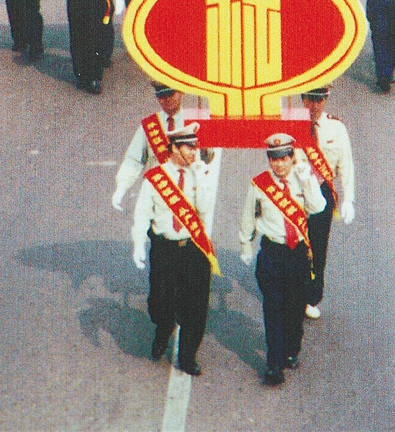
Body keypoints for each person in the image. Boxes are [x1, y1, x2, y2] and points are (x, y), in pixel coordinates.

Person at [131, 123, 218, 376]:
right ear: (174, 148)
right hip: (165, 249)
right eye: (189, 147)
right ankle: (163, 328)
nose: (194, 152)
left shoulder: (198, 174)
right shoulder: (155, 178)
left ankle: (187, 356)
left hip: (193, 248)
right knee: (160, 304)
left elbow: (205, 208)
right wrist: (138, 243)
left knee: (196, 306)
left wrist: (201, 177)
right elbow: (142, 213)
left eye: (195, 146)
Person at [239, 133, 325, 386]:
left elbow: (318, 207)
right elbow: (248, 216)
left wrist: (306, 179)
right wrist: (245, 245)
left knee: (295, 308)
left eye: (283, 158)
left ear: (292, 157)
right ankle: (274, 364)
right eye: (274, 159)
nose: (279, 164)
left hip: (297, 254)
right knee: (273, 309)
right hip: (272, 253)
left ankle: (291, 350)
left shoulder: (302, 179)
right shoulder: (259, 184)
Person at [298, 88, 354, 319]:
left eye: (320, 100)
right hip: (297, 191)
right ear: (303, 99)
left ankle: (312, 296)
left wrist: (348, 198)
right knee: (294, 244)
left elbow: (346, 165)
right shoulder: (292, 125)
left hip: (322, 191)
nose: (315, 105)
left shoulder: (336, 128)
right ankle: (293, 290)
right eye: (311, 99)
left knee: (318, 246)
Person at [112, 84, 189, 211]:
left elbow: (207, 159)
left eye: (171, 94)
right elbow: (134, 159)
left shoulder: (193, 121)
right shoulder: (150, 125)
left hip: (185, 198)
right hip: (156, 194)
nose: (167, 99)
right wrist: (121, 188)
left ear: (181, 92)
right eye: (162, 96)